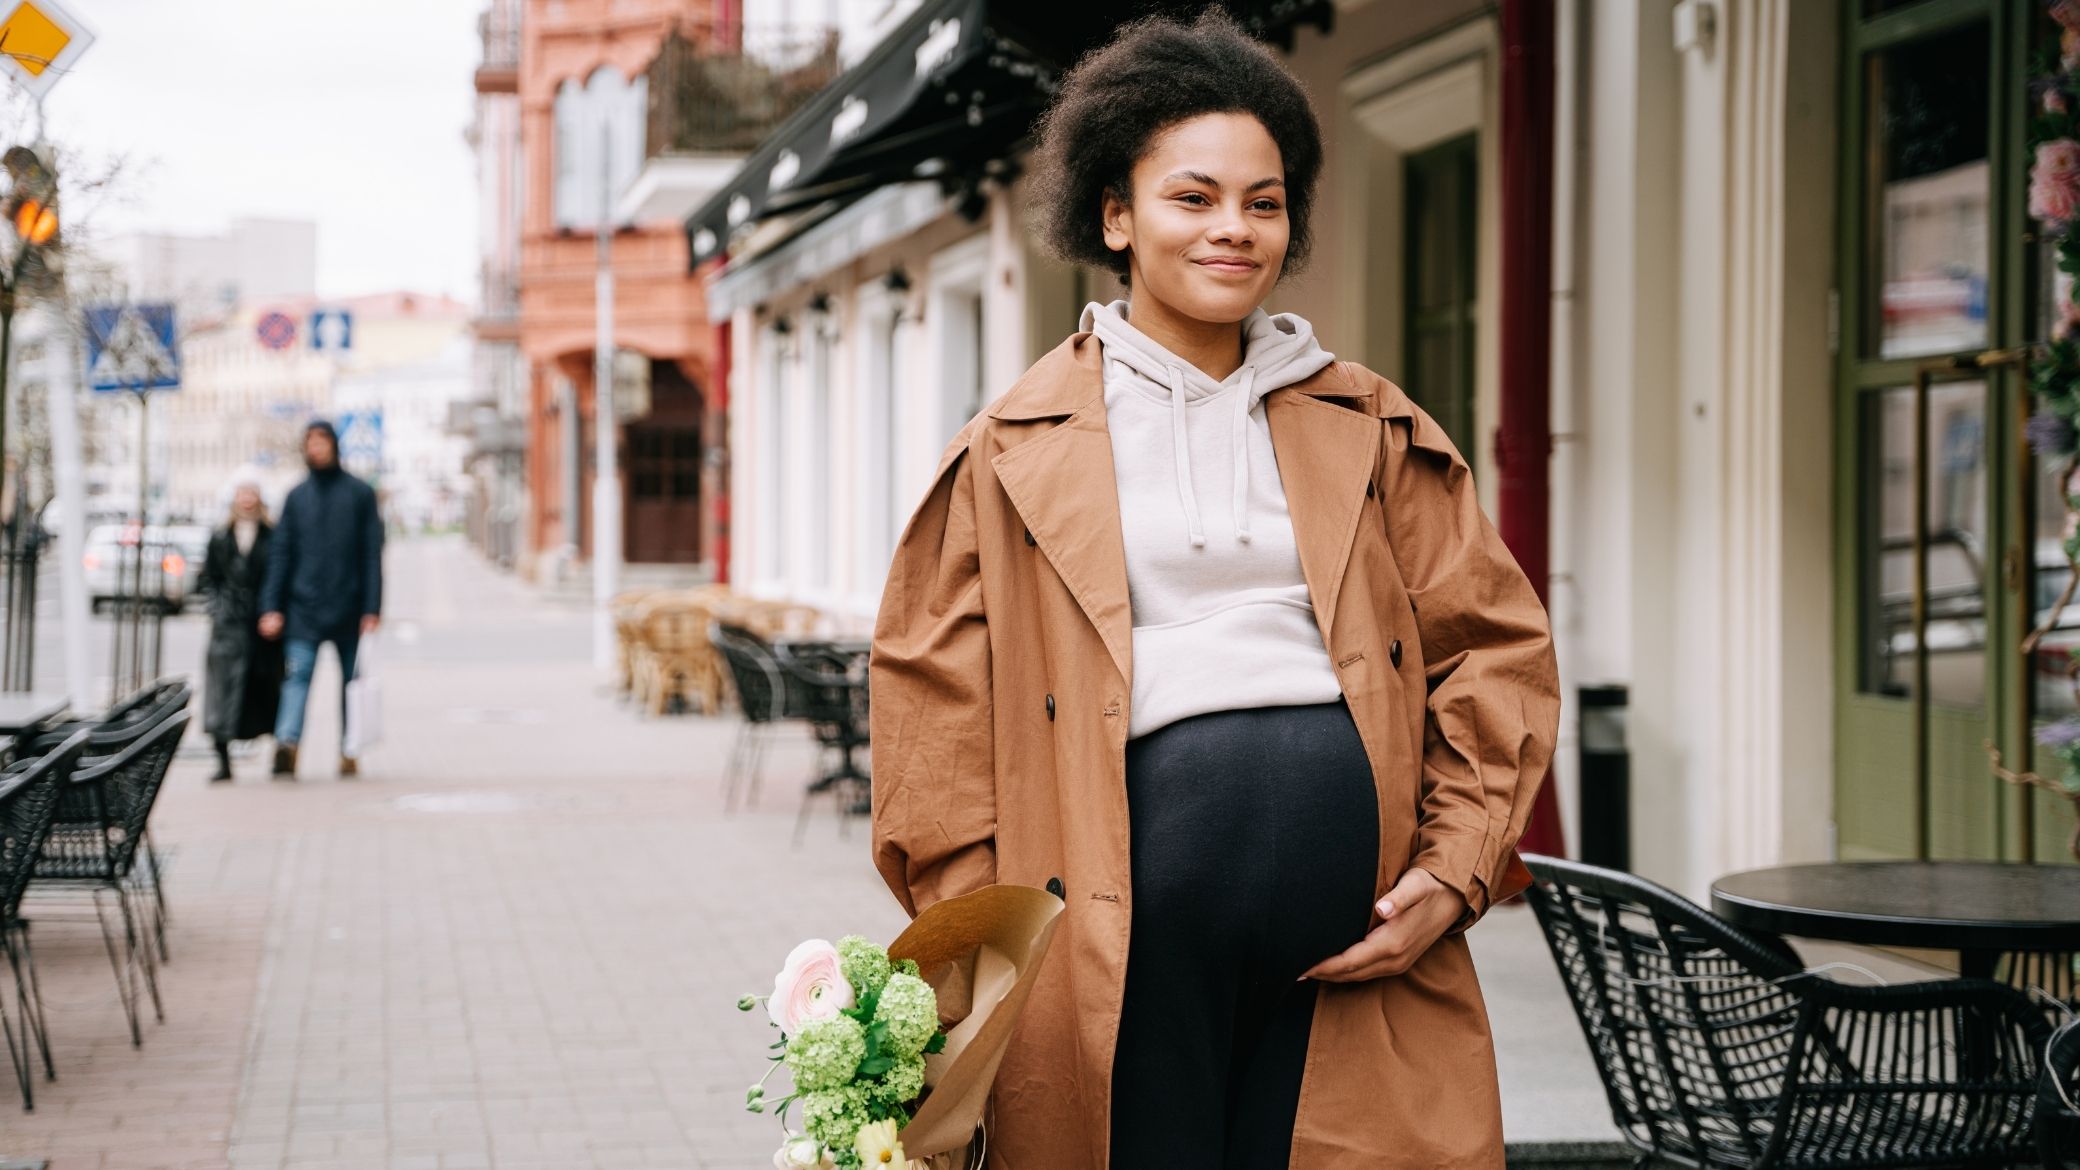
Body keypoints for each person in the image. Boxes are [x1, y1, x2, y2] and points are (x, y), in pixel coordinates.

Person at [869, 13, 1560, 1170]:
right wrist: (995, 947)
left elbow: (1492, 648)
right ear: (1116, 215)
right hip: (1108, 958)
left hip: (1360, 949)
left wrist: (1454, 871)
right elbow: (931, 715)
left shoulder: (1374, 425)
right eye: (1193, 198)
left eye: (1264, 200)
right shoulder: (1009, 448)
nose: (1233, 229)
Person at [259, 420, 383, 780]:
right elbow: (280, 555)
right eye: (309, 441)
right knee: (296, 679)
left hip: (350, 607)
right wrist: (272, 607)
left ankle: (350, 749)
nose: (315, 448)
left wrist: (372, 608)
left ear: (334, 445)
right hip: (303, 609)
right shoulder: (297, 497)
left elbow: (371, 554)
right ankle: (288, 744)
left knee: (351, 685)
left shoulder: (359, 494)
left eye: (321, 441)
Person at [199, 479, 283, 782]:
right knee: (220, 695)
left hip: (263, 629)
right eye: (241, 494)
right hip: (227, 628)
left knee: (268, 692)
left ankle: (279, 755)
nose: (247, 500)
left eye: (252, 494)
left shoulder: (272, 536)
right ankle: (222, 761)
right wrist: (218, 610)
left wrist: (273, 613)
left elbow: (279, 575)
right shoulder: (220, 536)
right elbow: (209, 579)